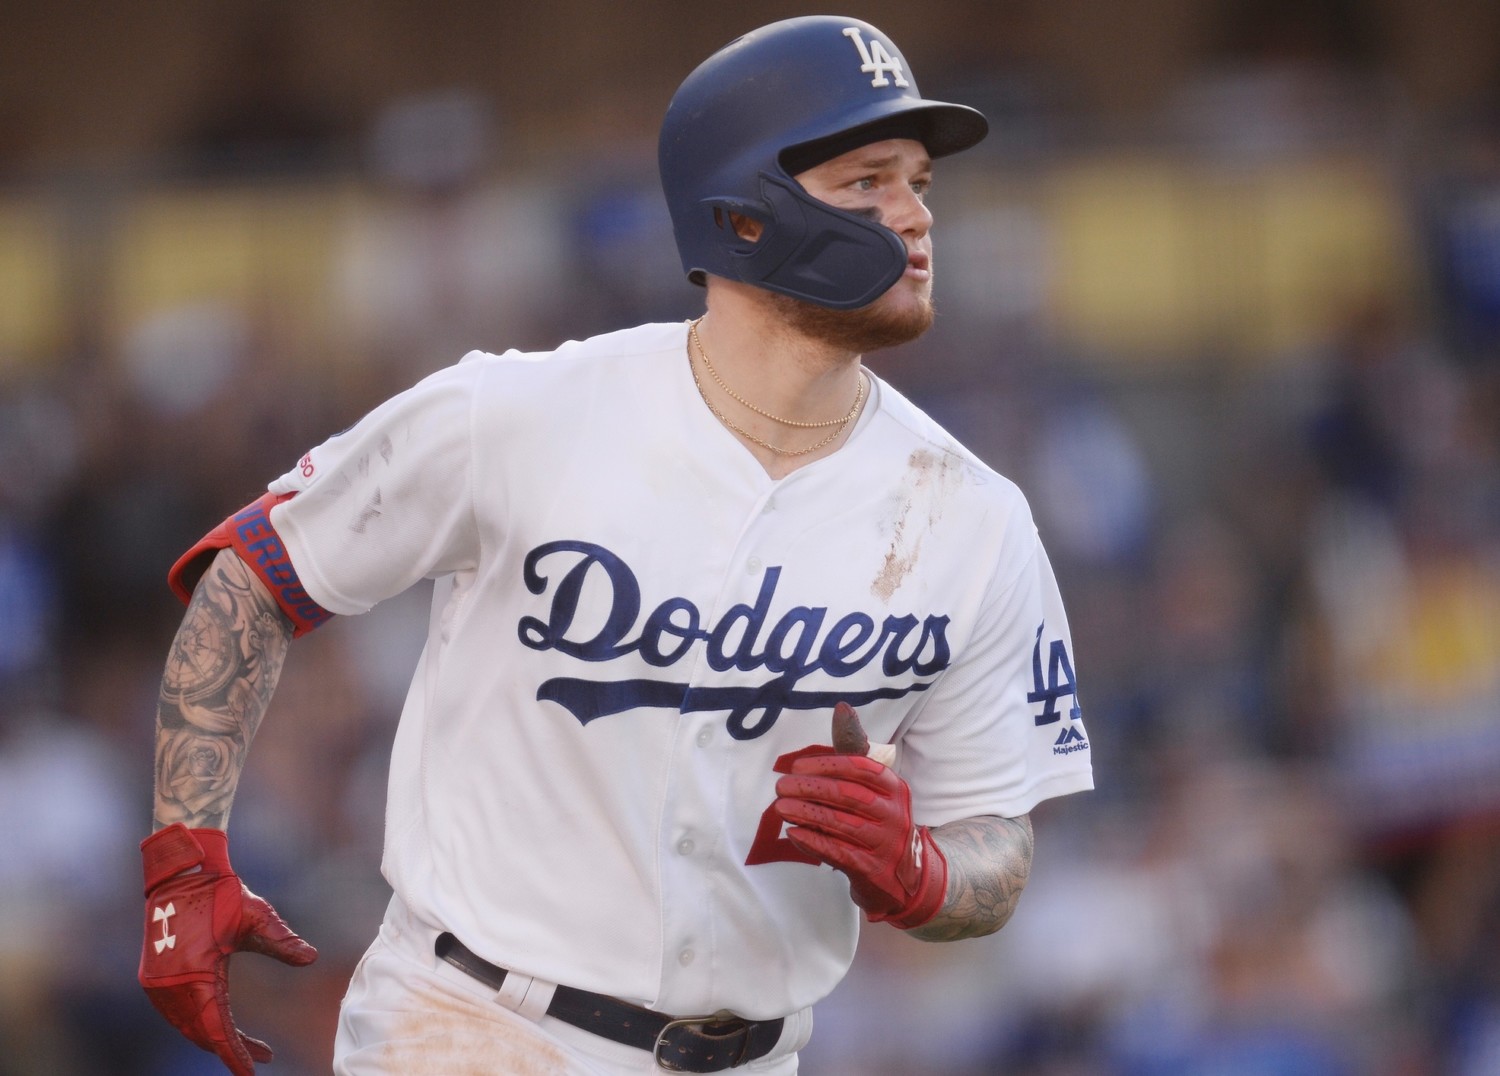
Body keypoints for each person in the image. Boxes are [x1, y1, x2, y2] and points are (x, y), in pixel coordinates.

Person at [138, 15, 1094, 1074]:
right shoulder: (516, 413)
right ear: (742, 216)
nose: (914, 216)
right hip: (472, 1024)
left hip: (756, 1052)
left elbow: (997, 841)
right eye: (868, 180)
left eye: (919, 181)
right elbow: (256, 575)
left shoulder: (974, 514)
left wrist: (923, 870)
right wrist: (186, 855)